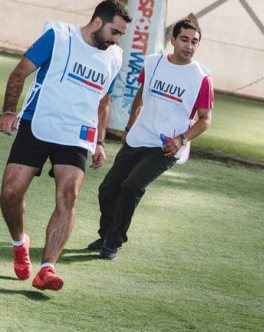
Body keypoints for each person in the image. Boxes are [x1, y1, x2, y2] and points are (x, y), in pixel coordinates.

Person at [0, 0, 130, 291]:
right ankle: (20, 242)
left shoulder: (113, 57)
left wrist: (98, 142)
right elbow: (20, 73)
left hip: (76, 133)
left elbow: (103, 103)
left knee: (68, 196)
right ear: (98, 22)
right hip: (38, 122)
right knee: (9, 192)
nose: (116, 39)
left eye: (120, 35)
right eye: (115, 32)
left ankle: (47, 268)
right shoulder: (58, 37)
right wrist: (9, 111)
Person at [87, 19, 213, 260]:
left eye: (194, 42)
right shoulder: (153, 63)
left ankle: (113, 243)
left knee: (132, 185)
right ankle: (105, 234)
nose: (189, 46)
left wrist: (181, 139)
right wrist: (129, 126)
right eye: (184, 39)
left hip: (167, 147)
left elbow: (205, 119)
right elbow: (140, 95)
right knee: (108, 188)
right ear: (173, 40)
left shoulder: (202, 78)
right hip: (138, 137)